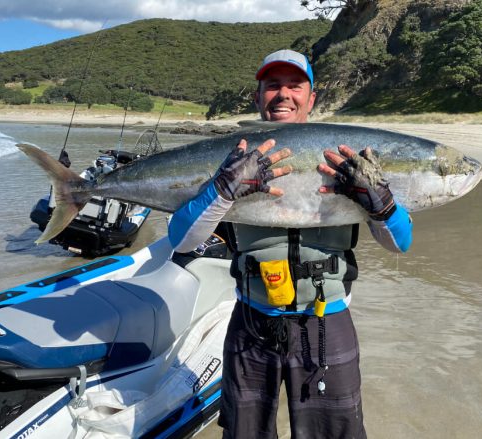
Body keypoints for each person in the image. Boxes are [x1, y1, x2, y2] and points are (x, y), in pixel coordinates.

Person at [168, 49, 412, 439]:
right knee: (245, 433)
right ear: (258, 96)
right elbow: (181, 241)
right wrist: (222, 190)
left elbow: (400, 243)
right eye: (273, 85)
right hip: (251, 321)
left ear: (311, 98)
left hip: (326, 322)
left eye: (295, 86)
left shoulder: (348, 160)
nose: (283, 94)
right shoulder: (233, 160)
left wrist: (381, 204)